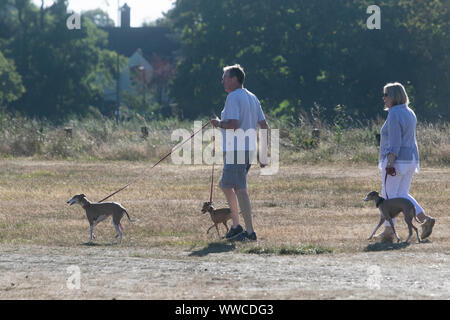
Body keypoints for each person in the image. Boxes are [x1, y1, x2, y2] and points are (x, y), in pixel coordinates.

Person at [211, 64, 269, 241]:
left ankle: (249, 232)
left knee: (240, 189)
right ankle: (236, 226)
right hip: (246, 150)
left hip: (237, 149)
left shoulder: (233, 97)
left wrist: (218, 123)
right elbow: (264, 126)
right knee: (225, 185)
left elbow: (234, 125)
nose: (222, 81)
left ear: (235, 79)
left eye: (225, 77)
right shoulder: (252, 97)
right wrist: (264, 153)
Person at [376, 82, 435, 242]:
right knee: (402, 195)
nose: (384, 98)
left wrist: (390, 161)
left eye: (386, 95)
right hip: (410, 159)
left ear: (394, 96)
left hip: (397, 160)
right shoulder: (410, 112)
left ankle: (388, 231)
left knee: (388, 197)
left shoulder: (394, 113)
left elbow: (395, 140)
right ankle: (425, 220)